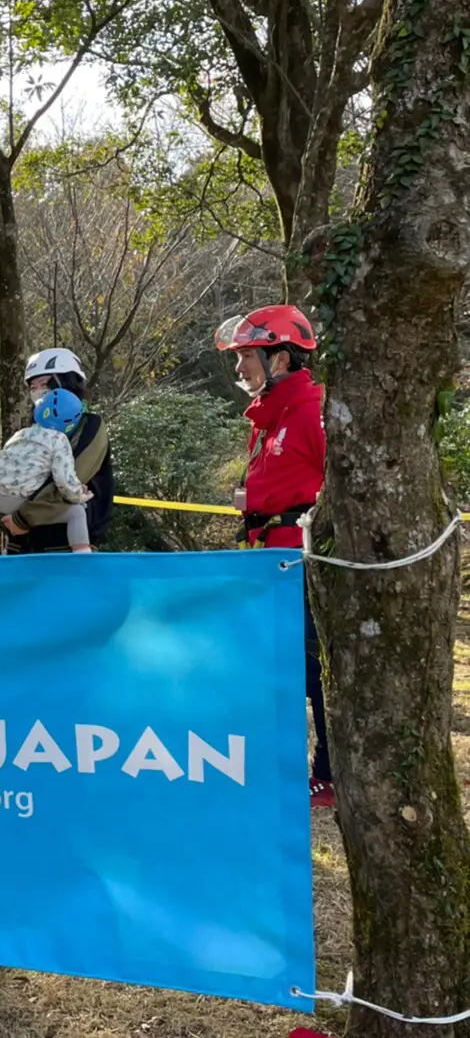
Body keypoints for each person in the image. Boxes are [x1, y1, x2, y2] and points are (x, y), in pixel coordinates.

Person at [215, 304, 332, 808]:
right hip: (267, 563)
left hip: (299, 564)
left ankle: (328, 773)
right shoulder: (270, 416)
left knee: (313, 671)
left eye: (247, 356)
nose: (240, 368)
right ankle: (280, 766)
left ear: (280, 358)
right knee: (273, 668)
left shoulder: (311, 411)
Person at [3, 348, 113, 553]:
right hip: (25, 543)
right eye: (33, 386)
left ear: (67, 382)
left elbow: (72, 479)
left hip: (69, 544)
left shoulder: (89, 426)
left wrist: (23, 518)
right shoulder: (31, 430)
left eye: (44, 383)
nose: (38, 391)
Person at [0, 389, 93, 552]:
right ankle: (83, 557)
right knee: (77, 512)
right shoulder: (59, 439)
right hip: (19, 503)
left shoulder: (20, 434)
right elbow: (64, 479)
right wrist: (79, 495)